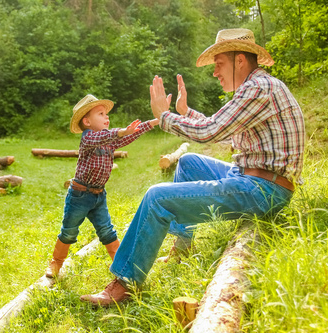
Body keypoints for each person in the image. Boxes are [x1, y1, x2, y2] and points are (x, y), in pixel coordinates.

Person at [80, 28, 305, 306]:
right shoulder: (257, 86)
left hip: (263, 189)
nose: (215, 72)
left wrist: (164, 116)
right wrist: (184, 113)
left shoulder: (258, 88)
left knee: (156, 197)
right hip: (253, 178)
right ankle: (183, 248)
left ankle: (125, 285)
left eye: (219, 64)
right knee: (187, 161)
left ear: (239, 60)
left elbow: (211, 131)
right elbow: (223, 127)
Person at [45, 94, 160, 278]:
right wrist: (122, 131)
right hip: (79, 196)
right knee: (69, 231)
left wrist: (153, 122)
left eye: (106, 114)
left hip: (98, 196)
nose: (106, 117)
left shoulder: (109, 140)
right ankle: (56, 262)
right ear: (87, 121)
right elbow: (106, 136)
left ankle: (120, 264)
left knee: (107, 230)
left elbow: (129, 135)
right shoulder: (88, 138)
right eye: (101, 113)